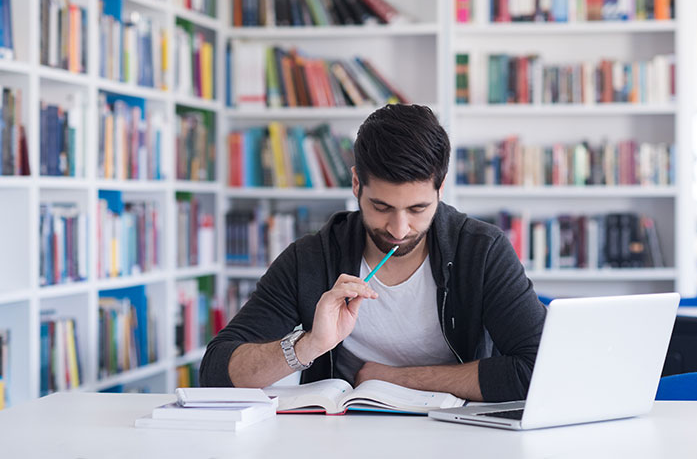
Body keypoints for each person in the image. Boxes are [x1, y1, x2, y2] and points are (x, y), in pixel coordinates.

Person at [200, 104, 546, 401]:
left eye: (417, 209)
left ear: (440, 189)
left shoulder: (481, 250)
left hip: (457, 435)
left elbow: (542, 369)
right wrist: (308, 345)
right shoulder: (311, 257)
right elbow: (216, 372)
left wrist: (397, 380)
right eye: (381, 207)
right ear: (356, 184)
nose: (398, 229)